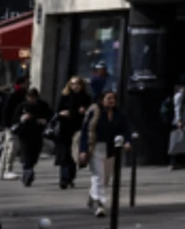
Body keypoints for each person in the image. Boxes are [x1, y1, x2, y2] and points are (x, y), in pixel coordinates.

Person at [79, 90, 132, 218]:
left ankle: (92, 198)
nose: (111, 101)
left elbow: (126, 130)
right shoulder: (95, 112)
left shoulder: (119, 115)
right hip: (95, 147)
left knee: (105, 178)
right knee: (98, 176)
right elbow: (85, 131)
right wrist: (83, 149)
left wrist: (127, 142)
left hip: (111, 149)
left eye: (113, 98)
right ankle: (101, 204)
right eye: (108, 98)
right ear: (102, 100)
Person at [49, 78, 88, 189]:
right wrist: (61, 113)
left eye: (77, 84)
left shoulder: (85, 98)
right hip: (64, 128)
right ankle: (64, 179)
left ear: (81, 85)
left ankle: (70, 177)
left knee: (74, 154)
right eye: (72, 84)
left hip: (78, 128)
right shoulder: (64, 97)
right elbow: (57, 112)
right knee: (64, 155)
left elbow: (89, 113)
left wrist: (84, 110)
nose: (74, 86)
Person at [12, 90, 45, 186]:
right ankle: (27, 174)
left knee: (34, 154)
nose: (31, 99)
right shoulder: (22, 106)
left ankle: (29, 170)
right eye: (30, 97)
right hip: (25, 133)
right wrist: (22, 118)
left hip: (37, 133)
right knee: (26, 154)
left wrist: (43, 120)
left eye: (34, 97)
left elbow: (50, 115)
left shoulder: (42, 105)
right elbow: (14, 118)